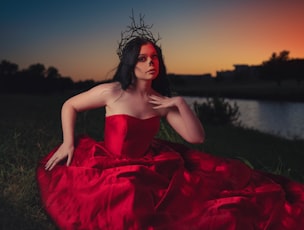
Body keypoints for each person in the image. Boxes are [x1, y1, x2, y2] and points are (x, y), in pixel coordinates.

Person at [37, 30, 304, 229]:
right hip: (110, 163)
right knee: (127, 197)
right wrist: (68, 142)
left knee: (224, 201)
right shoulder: (113, 92)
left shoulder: (161, 103)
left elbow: (196, 137)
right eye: (142, 58)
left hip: (149, 164)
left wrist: (179, 103)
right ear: (131, 63)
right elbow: (69, 105)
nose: (151, 63)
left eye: (154, 57)